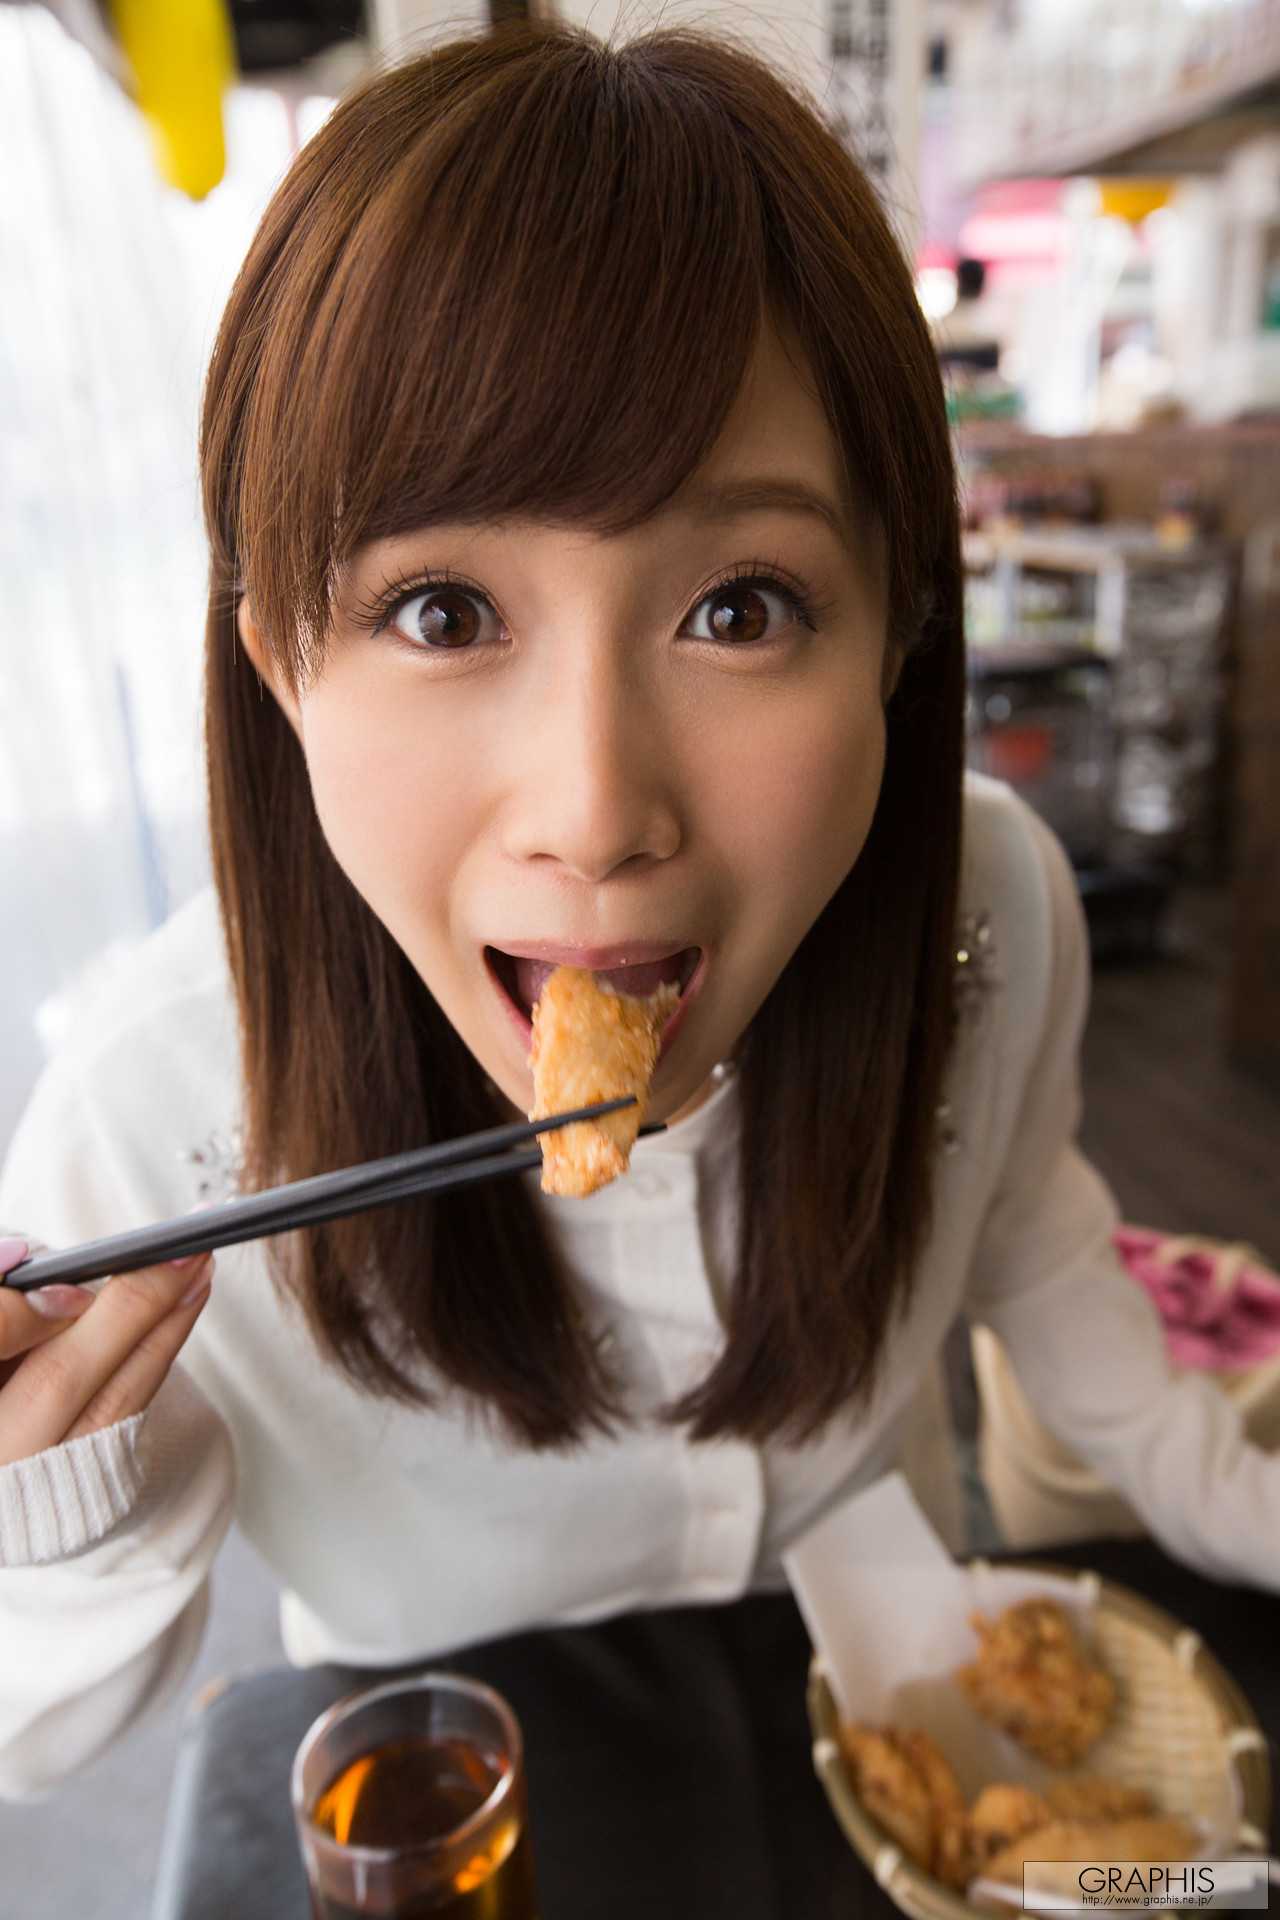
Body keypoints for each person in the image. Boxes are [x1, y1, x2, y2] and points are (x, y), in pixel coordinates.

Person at [0, 21, 1275, 1803]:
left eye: (740, 608)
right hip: (457, 1808)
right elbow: (43, 1734)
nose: (597, 813)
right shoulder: (144, 1120)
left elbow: (1039, 1239)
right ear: (281, 666)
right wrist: (53, 1490)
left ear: (898, 636)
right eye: (443, 613)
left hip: (891, 1754)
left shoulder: (992, 904)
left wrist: (1241, 1505)